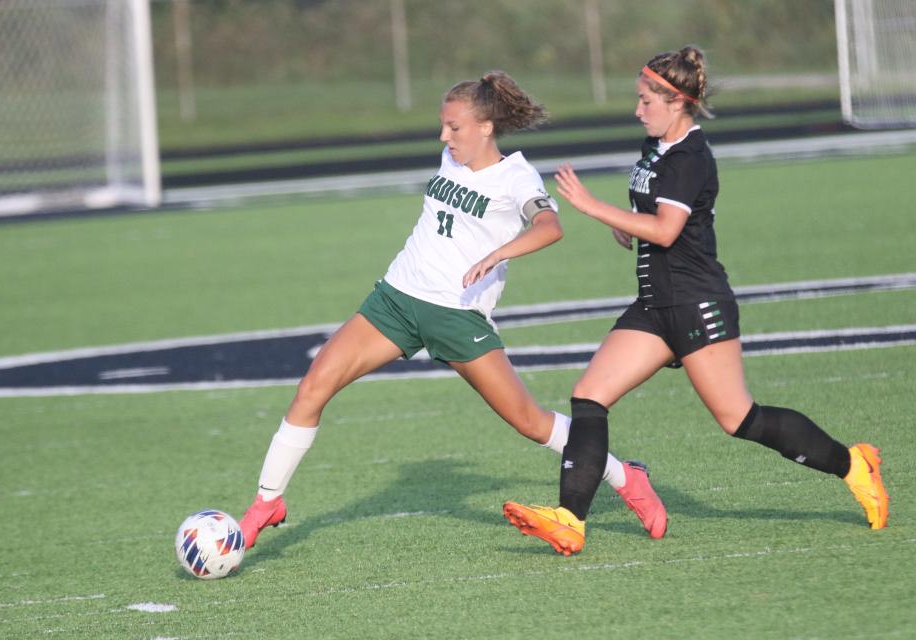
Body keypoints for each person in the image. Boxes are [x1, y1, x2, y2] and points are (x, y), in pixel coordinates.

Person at [239, 71, 668, 550]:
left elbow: (550, 226)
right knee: (313, 386)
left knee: (530, 421)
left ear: (486, 127)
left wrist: (499, 253)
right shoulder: (451, 157)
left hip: (458, 316)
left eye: (454, 127)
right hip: (396, 299)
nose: (444, 137)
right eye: (443, 127)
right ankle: (267, 501)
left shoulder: (516, 176)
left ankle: (625, 477)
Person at [502, 46, 889, 557]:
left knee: (739, 419)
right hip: (654, 305)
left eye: (646, 101)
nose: (637, 110)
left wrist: (596, 209)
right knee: (589, 396)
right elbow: (652, 216)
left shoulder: (690, 157)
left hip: (697, 303)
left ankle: (853, 463)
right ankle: (570, 520)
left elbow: (666, 230)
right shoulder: (656, 146)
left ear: (677, 103)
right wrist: (624, 226)